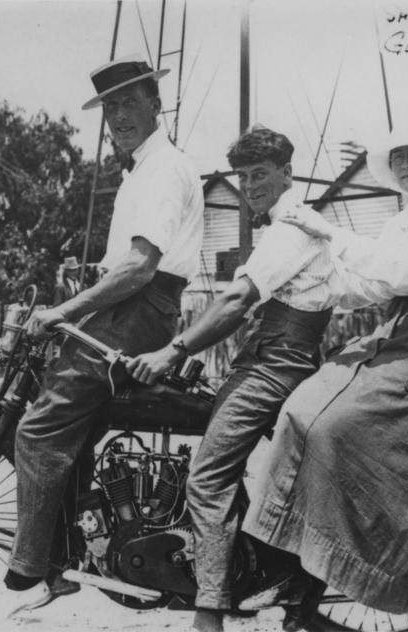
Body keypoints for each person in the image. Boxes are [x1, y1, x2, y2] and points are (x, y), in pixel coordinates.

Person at [0, 54, 204, 624]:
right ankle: (74, 551)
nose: (119, 116)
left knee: (38, 426)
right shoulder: (142, 170)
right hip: (131, 307)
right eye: (110, 107)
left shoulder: (164, 168)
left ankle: (33, 568)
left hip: (138, 313)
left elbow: (139, 266)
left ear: (156, 103)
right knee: (70, 426)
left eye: (130, 102)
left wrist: (62, 312)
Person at [239, 127, 408, 629]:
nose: (406, 165)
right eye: (397, 158)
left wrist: (330, 232)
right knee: (301, 409)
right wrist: (299, 282)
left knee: (337, 426)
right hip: (399, 329)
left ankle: (347, 562)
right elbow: (370, 284)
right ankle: (288, 564)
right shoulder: (400, 222)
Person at [125, 127, 341, 632]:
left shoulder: (291, 228)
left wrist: (171, 350)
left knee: (207, 475)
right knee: (207, 442)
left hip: (275, 365)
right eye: (243, 176)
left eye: (260, 173)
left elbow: (238, 301)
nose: (250, 185)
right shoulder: (282, 225)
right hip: (265, 359)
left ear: (287, 172)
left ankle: (209, 611)